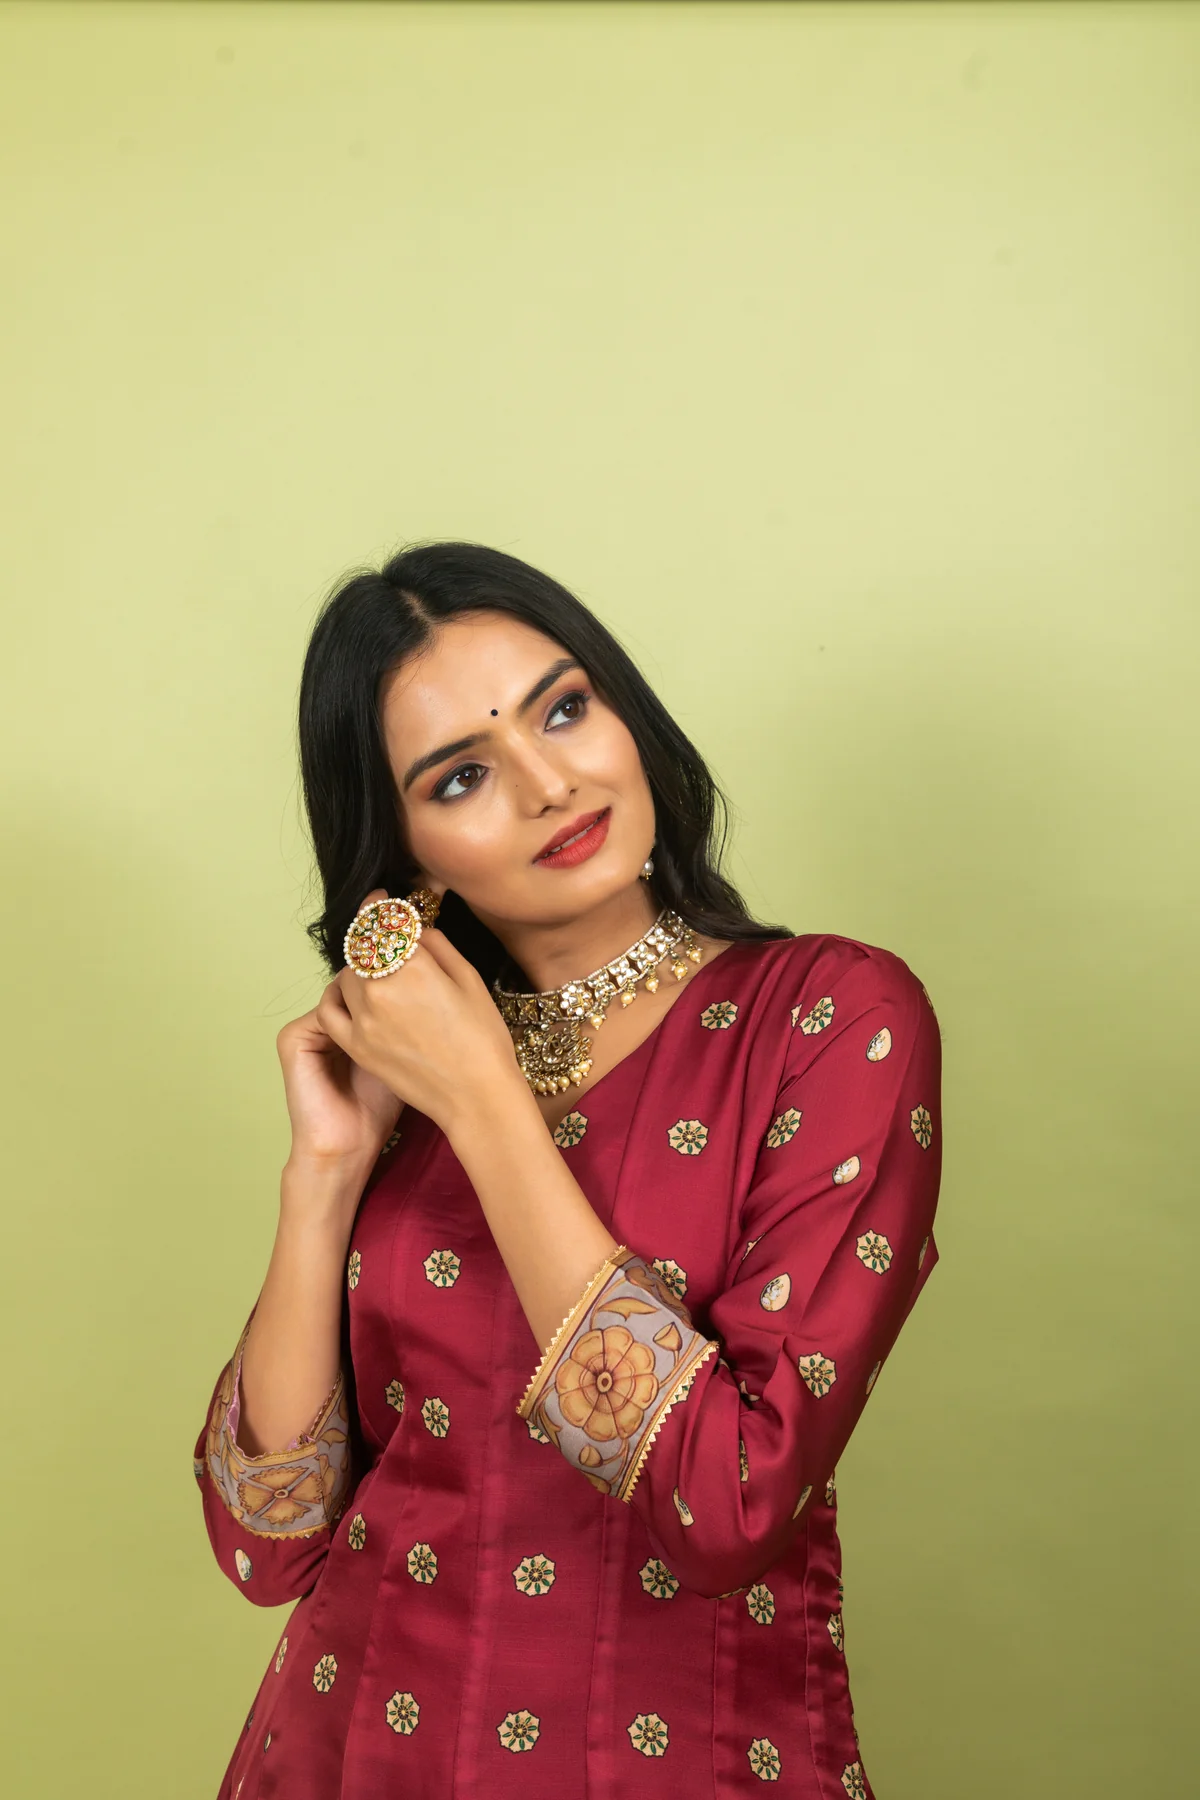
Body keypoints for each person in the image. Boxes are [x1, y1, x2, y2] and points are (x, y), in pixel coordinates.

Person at [193, 541, 943, 1800]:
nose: (550, 784)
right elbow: (264, 1540)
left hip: (681, 1761)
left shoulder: (830, 1017)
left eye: (564, 709)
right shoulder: (404, 1084)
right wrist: (324, 1173)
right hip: (349, 1752)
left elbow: (727, 1506)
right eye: (463, 775)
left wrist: (487, 1105)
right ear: (409, 858)